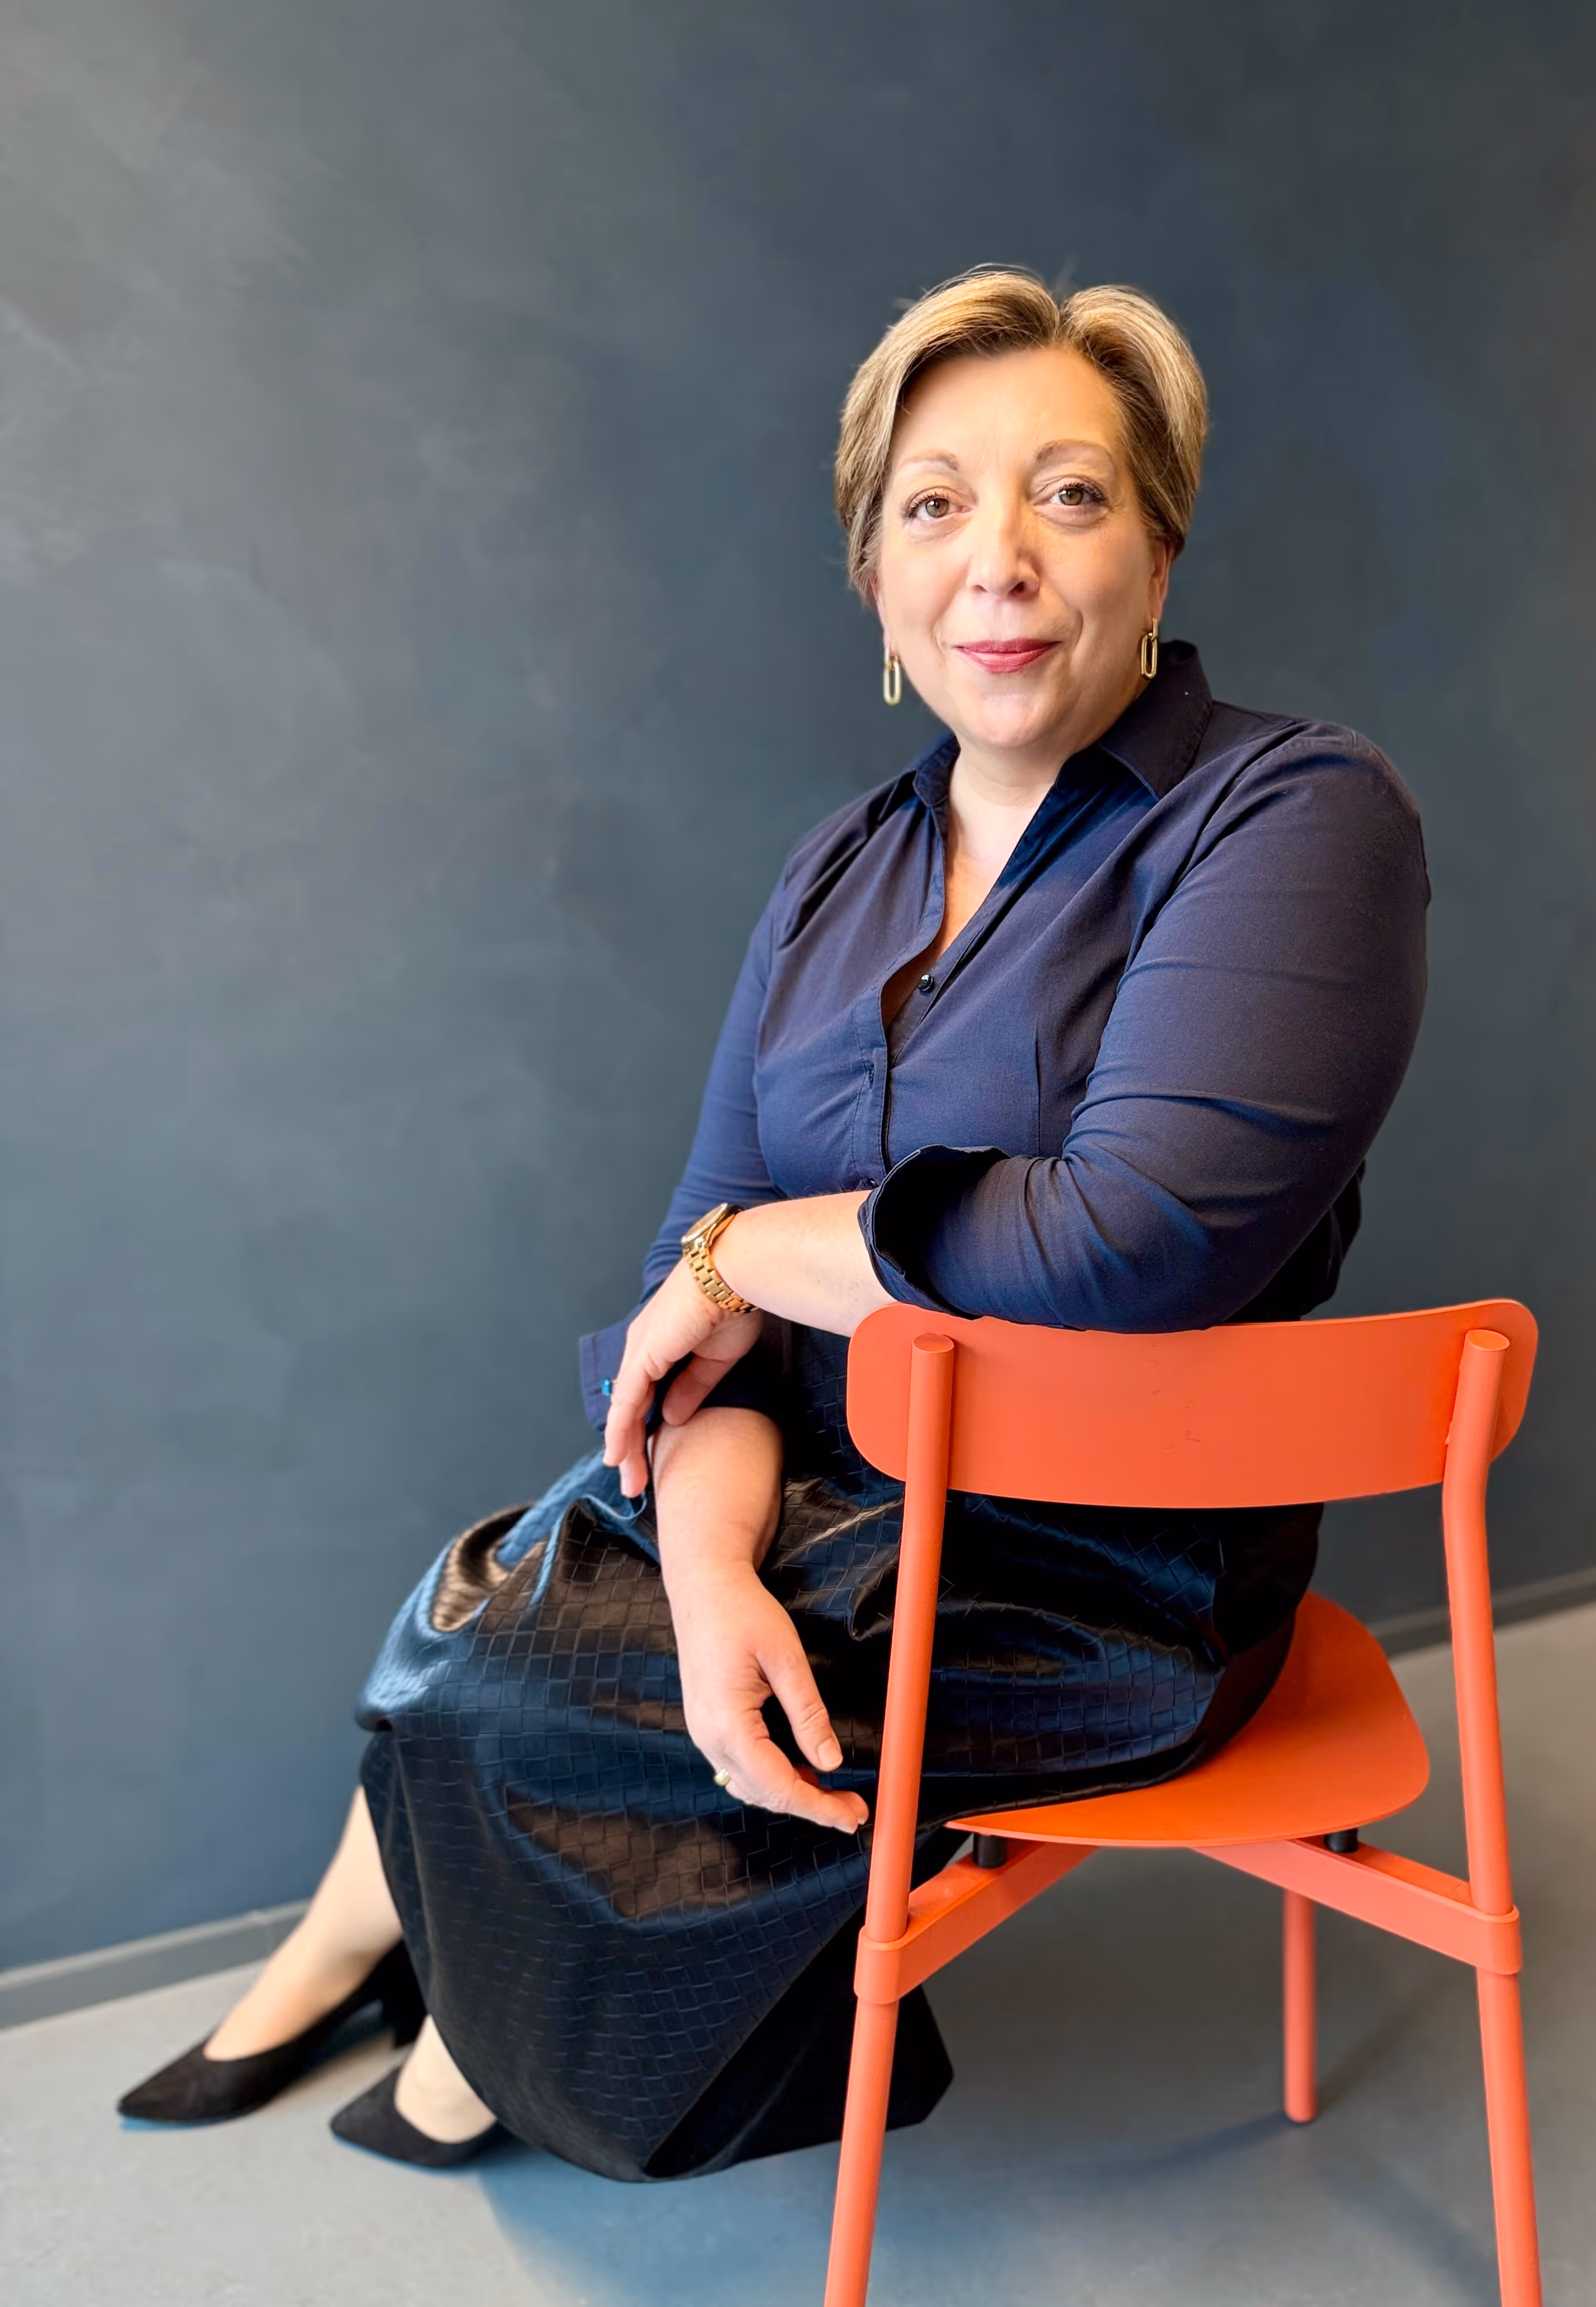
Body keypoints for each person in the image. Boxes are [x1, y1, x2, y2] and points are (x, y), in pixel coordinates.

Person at [118, 265, 1429, 2177]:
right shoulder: (839, 871)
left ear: (1159, 550)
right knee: (498, 1591)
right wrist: (718, 1563)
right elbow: (691, 1280)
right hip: (828, 1504)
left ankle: (464, 2022)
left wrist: (757, 1256)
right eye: (932, 504)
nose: (998, 557)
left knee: (501, 1655)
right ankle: (372, 1950)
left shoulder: (1293, 812)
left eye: (1068, 494)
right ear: (877, 585)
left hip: (1106, 1579)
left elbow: (1131, 1245)